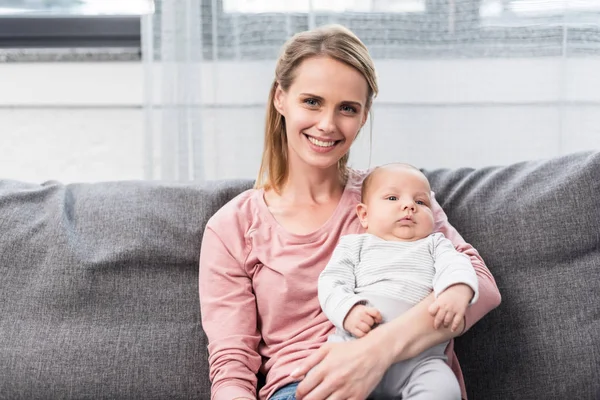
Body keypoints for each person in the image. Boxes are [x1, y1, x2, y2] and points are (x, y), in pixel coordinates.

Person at [199, 23, 501, 400]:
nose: (327, 124)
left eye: (347, 108)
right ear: (281, 98)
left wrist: (375, 351)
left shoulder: (396, 197)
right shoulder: (233, 225)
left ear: (364, 115)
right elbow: (232, 366)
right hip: (305, 387)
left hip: (411, 378)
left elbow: (481, 286)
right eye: (312, 101)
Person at [318, 163, 480, 399]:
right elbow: (331, 283)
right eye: (393, 197)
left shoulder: (435, 244)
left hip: (421, 361)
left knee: (444, 387)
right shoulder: (354, 245)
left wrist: (456, 291)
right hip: (353, 345)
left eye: (421, 202)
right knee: (323, 376)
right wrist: (348, 311)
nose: (409, 206)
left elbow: (458, 266)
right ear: (364, 215)